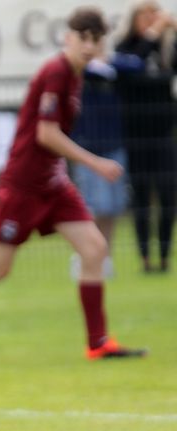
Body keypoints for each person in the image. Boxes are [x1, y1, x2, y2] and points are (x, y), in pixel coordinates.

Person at [0, 7, 147, 365]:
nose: (88, 45)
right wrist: (95, 163)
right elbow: (46, 133)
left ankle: (98, 343)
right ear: (67, 37)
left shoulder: (76, 75)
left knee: (95, 248)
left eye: (95, 40)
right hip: (23, 186)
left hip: (53, 183)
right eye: (82, 38)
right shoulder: (55, 72)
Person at [114, 0, 177, 273]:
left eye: (156, 16)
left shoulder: (166, 49)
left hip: (164, 133)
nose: (153, 21)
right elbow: (133, 67)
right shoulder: (124, 48)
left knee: (168, 194)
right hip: (136, 135)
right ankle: (144, 259)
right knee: (141, 197)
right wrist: (153, 35)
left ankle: (164, 256)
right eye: (146, 16)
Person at [69, 56, 129, 279]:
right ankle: (83, 256)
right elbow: (92, 72)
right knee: (93, 206)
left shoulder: (112, 65)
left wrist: (109, 62)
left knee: (112, 207)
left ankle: (105, 258)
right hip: (88, 149)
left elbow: (134, 65)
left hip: (113, 146)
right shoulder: (79, 70)